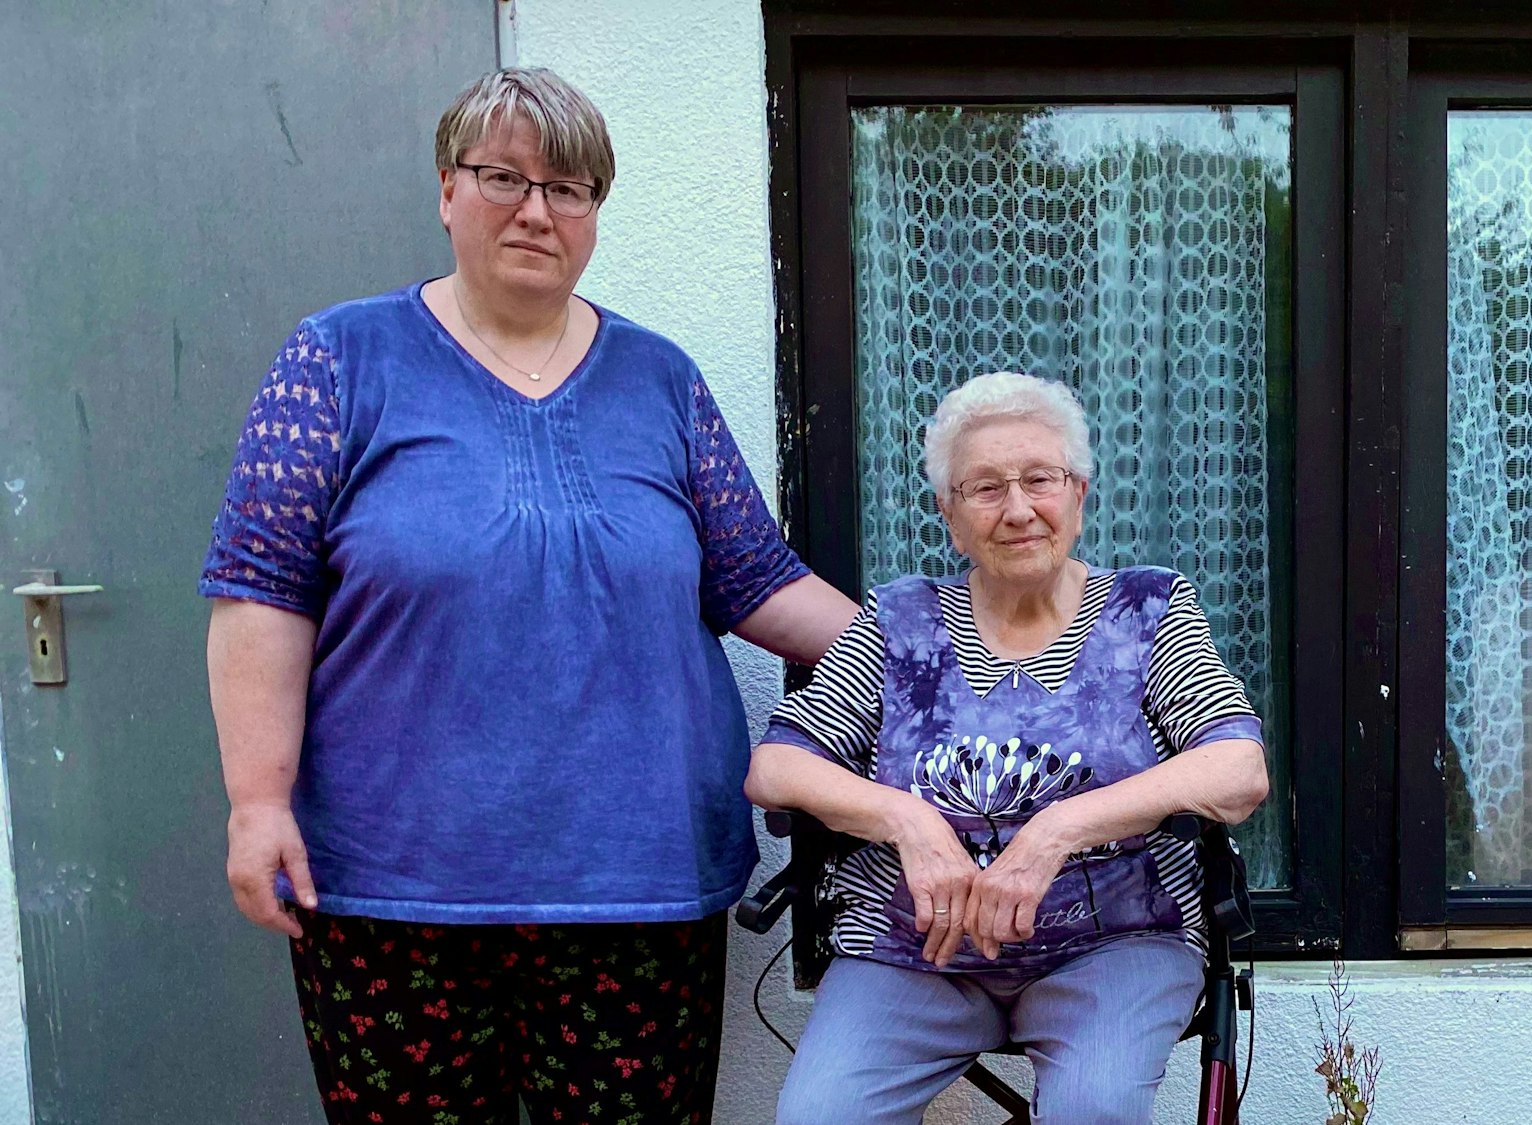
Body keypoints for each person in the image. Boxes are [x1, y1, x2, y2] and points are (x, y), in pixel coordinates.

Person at [200, 67, 854, 1124]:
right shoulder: (337, 361)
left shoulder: (660, 379)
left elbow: (758, 582)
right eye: (503, 176)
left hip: (638, 879)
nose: (537, 210)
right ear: (447, 191)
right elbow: (261, 593)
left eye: (571, 187)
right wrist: (258, 804)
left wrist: (943, 655)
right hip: (391, 884)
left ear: (595, 210)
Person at [745, 371, 1270, 1124]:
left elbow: (1237, 767)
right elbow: (777, 765)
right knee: (820, 1116)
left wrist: (1055, 830)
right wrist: (909, 821)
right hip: (914, 951)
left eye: (1040, 480)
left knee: (1094, 1110)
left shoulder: (1146, 611)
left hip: (1116, 944)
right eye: (985, 488)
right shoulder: (901, 623)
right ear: (950, 517)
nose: (1019, 509)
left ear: (1079, 495)